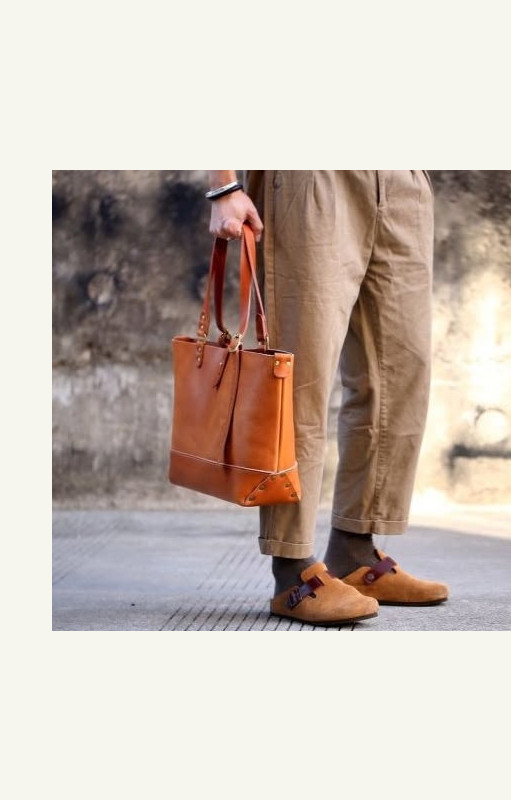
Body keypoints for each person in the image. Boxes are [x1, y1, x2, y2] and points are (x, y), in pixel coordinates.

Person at [206, 170, 448, 626]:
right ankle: (292, 570)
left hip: (401, 181)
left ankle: (355, 552)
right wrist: (224, 185)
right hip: (313, 180)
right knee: (300, 382)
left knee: (398, 374)